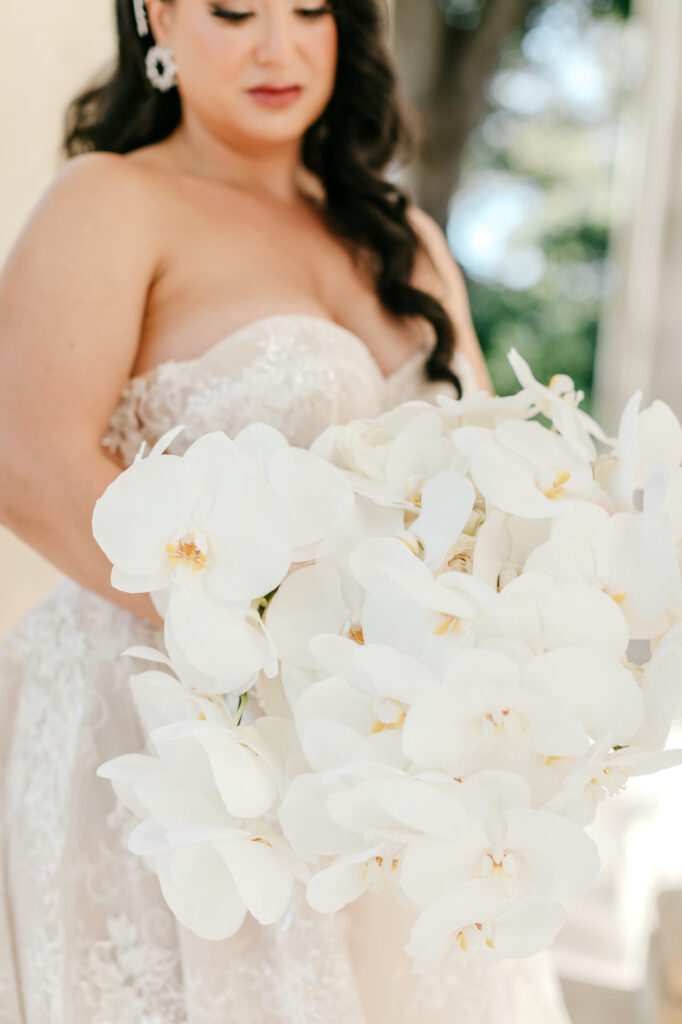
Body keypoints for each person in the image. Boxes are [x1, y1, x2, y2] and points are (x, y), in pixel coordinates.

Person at [0, 0, 570, 1020]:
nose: (277, 45)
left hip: (389, 772)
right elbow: (28, 465)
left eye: (309, 9)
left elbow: (493, 493)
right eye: (232, 10)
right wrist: (280, 645)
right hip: (189, 758)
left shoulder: (409, 243)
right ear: (161, 17)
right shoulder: (115, 199)